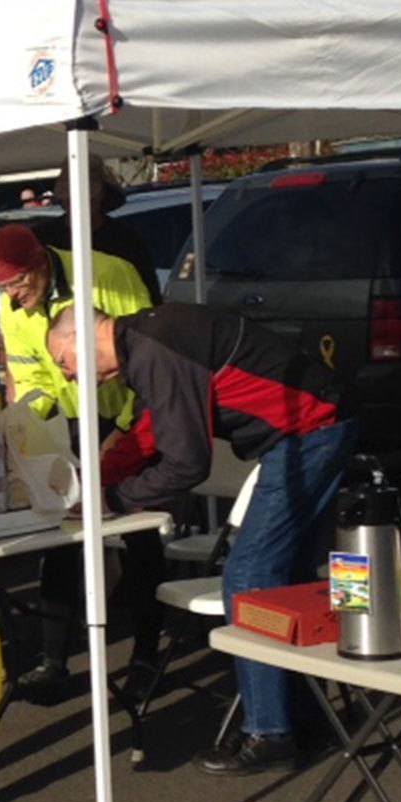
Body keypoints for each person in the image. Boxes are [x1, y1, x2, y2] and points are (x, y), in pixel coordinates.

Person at [46, 303, 359, 775]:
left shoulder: (153, 347)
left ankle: (270, 732)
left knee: (249, 576)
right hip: (316, 425)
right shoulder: (148, 340)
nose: (66, 376)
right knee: (285, 584)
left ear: (78, 337)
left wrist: (115, 498)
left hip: (309, 432)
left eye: (62, 362)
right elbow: (157, 427)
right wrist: (95, 477)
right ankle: (307, 721)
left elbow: (188, 461)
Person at [0, 223, 160, 702]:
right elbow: (29, 378)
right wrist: (18, 432)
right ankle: (52, 659)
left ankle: (147, 653)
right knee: (61, 535)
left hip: (127, 415)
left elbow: (151, 355)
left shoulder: (107, 275)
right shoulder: (11, 300)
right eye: (3, 290)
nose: (14, 299)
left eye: (18, 285)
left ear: (40, 263)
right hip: (68, 423)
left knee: (138, 534)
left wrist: (121, 432)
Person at [36, 155, 162, 305]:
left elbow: (150, 292)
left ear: (103, 195)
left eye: (90, 196)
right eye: (70, 197)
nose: (79, 204)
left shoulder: (126, 240)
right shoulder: (42, 238)